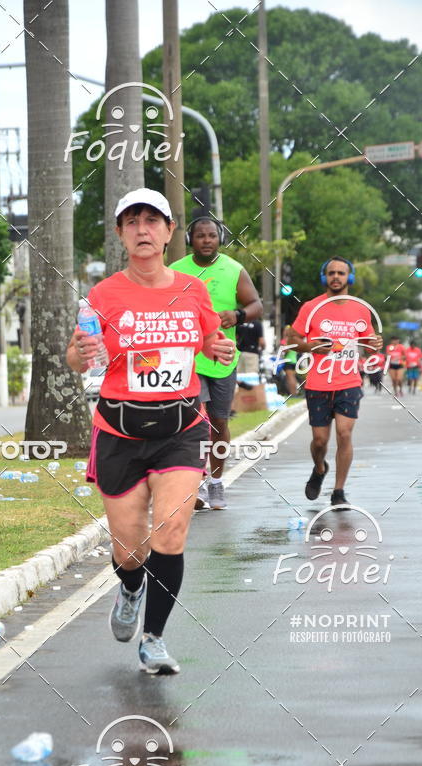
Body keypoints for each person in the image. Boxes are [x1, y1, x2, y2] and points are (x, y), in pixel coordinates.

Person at [66, 189, 235, 675]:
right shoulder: (102, 295)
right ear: (121, 234)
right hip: (119, 430)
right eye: (132, 221)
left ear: (167, 232)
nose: (142, 229)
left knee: (172, 530)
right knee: (129, 547)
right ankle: (131, 586)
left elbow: (208, 337)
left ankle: (154, 639)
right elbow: (77, 357)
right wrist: (82, 352)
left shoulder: (192, 289)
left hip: (180, 428)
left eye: (152, 221)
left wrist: (220, 349)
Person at [169, 216, 263, 510]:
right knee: (194, 422)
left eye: (212, 235)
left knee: (219, 422)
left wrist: (238, 315)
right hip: (188, 360)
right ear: (190, 240)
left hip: (223, 358)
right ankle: (194, 484)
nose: (207, 240)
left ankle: (217, 483)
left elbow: (256, 305)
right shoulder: (175, 271)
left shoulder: (234, 269)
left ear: (219, 239)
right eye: (200, 236)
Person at [287, 256, 382, 506]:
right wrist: (310, 346)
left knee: (344, 433)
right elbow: (292, 339)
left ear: (349, 277)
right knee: (319, 441)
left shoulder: (360, 309)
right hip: (318, 383)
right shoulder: (311, 308)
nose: (336, 277)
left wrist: (375, 345)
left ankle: (338, 492)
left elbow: (370, 344)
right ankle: (319, 468)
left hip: (349, 381)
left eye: (341, 273)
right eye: (331, 273)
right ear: (324, 277)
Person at [279, 325, 298, 396]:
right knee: (292, 377)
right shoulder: (294, 339)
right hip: (294, 360)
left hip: (288, 360)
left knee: (290, 378)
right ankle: (294, 392)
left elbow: (286, 350)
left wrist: (282, 349)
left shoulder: (287, 339)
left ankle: (293, 394)